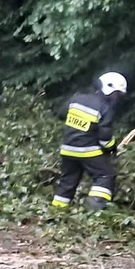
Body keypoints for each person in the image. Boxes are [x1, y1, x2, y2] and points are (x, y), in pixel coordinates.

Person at [52, 72, 128, 210]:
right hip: (88, 151)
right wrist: (112, 148)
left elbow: (62, 114)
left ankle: (57, 210)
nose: (117, 98)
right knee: (106, 174)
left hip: (67, 149)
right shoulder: (105, 108)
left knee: (68, 180)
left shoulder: (76, 98)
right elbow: (105, 137)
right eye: (117, 94)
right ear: (109, 89)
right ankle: (96, 205)